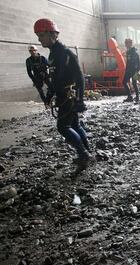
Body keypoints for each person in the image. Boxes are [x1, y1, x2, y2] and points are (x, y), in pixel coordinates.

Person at [33, 18, 92, 174]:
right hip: (63, 96)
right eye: (38, 36)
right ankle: (87, 153)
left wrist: (80, 99)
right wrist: (49, 94)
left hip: (69, 96)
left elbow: (80, 77)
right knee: (75, 126)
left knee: (63, 127)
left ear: (53, 34)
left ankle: (84, 155)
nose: (40, 39)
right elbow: (55, 78)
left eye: (42, 35)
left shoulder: (66, 53)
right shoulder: (53, 54)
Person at [123, 38, 140, 104]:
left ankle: (136, 98)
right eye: (125, 43)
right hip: (129, 70)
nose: (125, 44)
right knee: (125, 82)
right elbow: (129, 62)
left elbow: (136, 63)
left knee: (134, 84)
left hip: (133, 71)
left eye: (126, 43)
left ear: (130, 43)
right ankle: (131, 97)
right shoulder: (129, 52)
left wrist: (136, 71)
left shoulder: (133, 53)